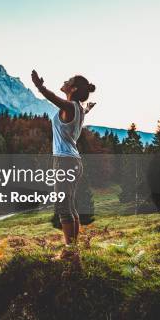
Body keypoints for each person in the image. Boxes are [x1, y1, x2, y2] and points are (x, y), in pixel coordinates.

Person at [31, 70, 96, 259]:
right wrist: (88, 108)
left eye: (68, 81)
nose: (64, 81)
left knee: (63, 207)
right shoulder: (78, 109)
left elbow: (53, 98)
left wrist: (39, 86)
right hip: (74, 161)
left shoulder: (69, 106)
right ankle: (73, 250)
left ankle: (69, 252)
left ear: (73, 88)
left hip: (64, 161)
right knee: (69, 206)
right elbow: (82, 110)